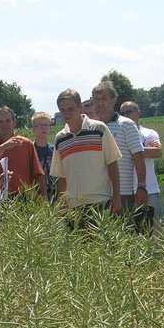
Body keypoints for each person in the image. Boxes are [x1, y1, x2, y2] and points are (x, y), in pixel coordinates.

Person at [50, 89, 122, 229]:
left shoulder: (99, 129)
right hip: (73, 206)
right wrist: (62, 206)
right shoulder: (60, 138)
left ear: (79, 107)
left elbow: (112, 163)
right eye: (63, 110)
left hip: (100, 202)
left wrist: (117, 197)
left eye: (71, 109)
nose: (67, 113)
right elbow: (61, 176)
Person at [92, 81, 147, 212]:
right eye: (96, 99)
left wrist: (141, 187)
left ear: (113, 100)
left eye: (104, 99)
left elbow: (139, 157)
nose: (100, 103)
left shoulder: (126, 124)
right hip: (98, 195)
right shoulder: (91, 128)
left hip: (123, 193)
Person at [120, 101, 163, 225]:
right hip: (125, 191)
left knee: (154, 229)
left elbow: (157, 152)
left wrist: (130, 149)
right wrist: (142, 149)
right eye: (122, 113)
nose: (125, 115)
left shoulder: (149, 133)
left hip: (149, 189)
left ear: (139, 113)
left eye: (129, 112)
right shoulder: (117, 134)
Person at [0, 106, 46, 199]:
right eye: (0, 122)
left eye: (8, 120)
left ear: (14, 122)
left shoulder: (26, 144)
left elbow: (38, 175)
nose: (4, 124)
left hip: (24, 198)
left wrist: (44, 200)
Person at [31, 111, 57, 203]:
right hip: (34, 197)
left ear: (50, 128)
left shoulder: (55, 150)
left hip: (54, 197)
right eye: (39, 125)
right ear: (33, 129)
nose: (43, 128)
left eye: (46, 125)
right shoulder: (29, 150)